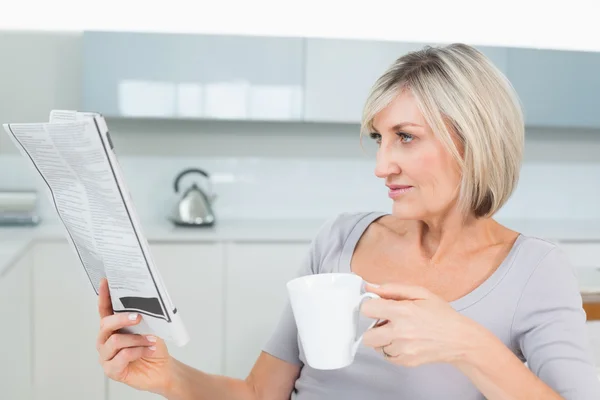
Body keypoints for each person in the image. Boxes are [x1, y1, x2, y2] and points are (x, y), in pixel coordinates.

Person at [95, 43, 600, 399]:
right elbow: (258, 394)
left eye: (405, 136)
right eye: (378, 139)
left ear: (474, 141)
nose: (382, 166)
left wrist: (465, 343)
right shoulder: (339, 238)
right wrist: (167, 377)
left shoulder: (534, 269)